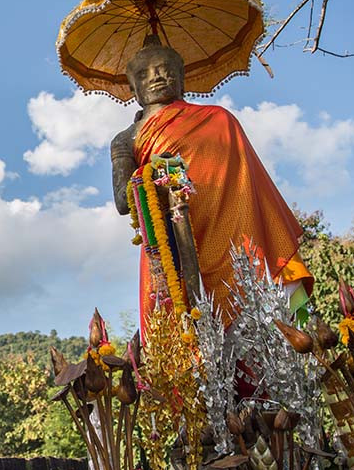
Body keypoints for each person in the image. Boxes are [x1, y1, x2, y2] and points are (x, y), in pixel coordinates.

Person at [110, 37, 312, 328]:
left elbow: (249, 185)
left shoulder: (218, 119)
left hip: (232, 240)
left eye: (164, 68)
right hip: (171, 243)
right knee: (180, 336)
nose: (156, 77)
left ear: (181, 78)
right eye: (144, 73)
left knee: (252, 335)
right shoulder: (125, 139)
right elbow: (121, 201)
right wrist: (155, 173)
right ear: (133, 89)